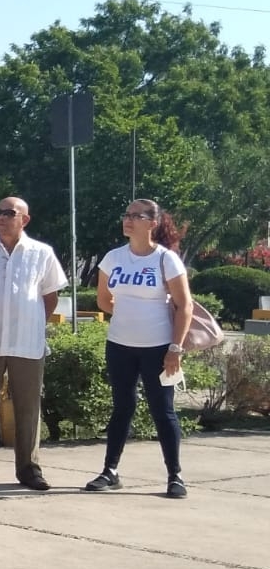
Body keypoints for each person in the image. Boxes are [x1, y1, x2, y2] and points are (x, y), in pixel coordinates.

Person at [0, 197, 66, 491]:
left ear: (25, 220)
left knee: (28, 407)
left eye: (9, 213)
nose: (1, 218)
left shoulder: (41, 253)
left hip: (27, 344)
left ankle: (29, 469)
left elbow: (50, 295)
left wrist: (32, 323)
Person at [87, 199, 193, 499]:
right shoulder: (113, 258)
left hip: (158, 347)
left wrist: (175, 347)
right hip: (119, 345)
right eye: (127, 215)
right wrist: (125, 314)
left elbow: (184, 306)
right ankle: (110, 471)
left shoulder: (166, 259)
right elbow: (103, 300)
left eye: (137, 215)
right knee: (122, 406)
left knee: (163, 410)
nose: (128, 220)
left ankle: (175, 476)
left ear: (153, 223)